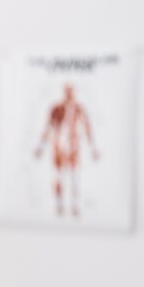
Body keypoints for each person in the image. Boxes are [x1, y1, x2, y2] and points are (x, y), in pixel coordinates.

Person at [33, 83, 100, 217]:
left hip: (73, 145)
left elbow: (87, 128)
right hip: (59, 145)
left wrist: (92, 148)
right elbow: (48, 127)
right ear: (64, 93)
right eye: (67, 92)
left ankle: (74, 206)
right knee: (59, 176)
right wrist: (41, 146)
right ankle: (59, 206)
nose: (69, 94)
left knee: (74, 177)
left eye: (71, 92)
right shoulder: (56, 108)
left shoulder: (79, 109)